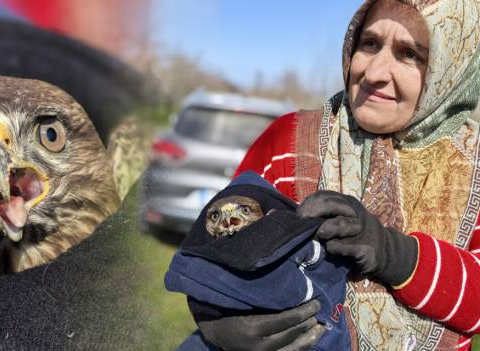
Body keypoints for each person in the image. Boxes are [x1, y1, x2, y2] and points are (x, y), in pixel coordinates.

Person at [194, 0, 480, 350]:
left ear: (453, 67)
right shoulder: (288, 138)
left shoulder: (474, 169)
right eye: (370, 43)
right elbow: (212, 246)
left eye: (409, 54)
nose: (374, 72)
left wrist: (396, 254)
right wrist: (214, 317)